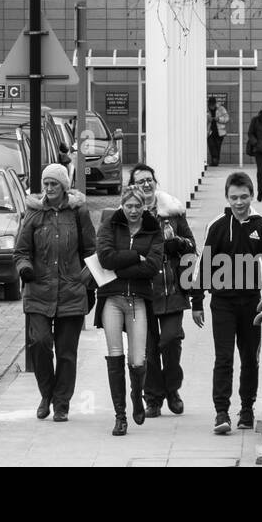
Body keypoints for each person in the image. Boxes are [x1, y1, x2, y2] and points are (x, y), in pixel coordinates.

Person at [191, 171, 262, 435]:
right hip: (222, 303)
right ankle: (221, 412)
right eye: (234, 197)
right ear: (226, 197)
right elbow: (205, 264)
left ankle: (246, 409)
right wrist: (197, 300)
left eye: (244, 196)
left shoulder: (261, 227)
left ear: (252, 196)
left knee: (250, 358)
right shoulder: (218, 226)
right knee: (223, 358)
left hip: (251, 303)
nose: (239, 202)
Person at [13, 163, 96, 423]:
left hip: (71, 291)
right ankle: (46, 394)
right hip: (38, 290)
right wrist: (24, 268)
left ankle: (62, 404)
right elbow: (21, 250)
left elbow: (91, 250)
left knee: (66, 352)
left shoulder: (78, 213)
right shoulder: (34, 213)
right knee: (39, 343)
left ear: (64, 187)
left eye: (54, 184)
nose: (49, 189)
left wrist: (87, 279)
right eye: (46, 184)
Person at [123, 165, 197, 419]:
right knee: (149, 349)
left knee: (170, 340)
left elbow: (192, 247)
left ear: (156, 182)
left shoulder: (172, 212)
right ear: (132, 186)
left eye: (149, 180)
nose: (146, 184)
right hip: (142, 293)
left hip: (172, 290)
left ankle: (172, 389)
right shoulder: (128, 216)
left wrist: (178, 243)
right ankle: (153, 398)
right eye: (140, 181)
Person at [95, 185, 160, 436]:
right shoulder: (110, 224)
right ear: (122, 205)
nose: (133, 210)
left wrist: (120, 266)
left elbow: (152, 267)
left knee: (138, 359)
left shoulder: (153, 229)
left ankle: (136, 396)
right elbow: (105, 259)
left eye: (138, 206)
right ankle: (120, 415)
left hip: (138, 300)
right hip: (112, 298)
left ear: (144, 206)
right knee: (114, 355)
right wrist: (135, 256)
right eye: (129, 206)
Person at [207, 97, 229, 166]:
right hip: (209, 131)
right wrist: (207, 119)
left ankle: (215, 161)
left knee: (217, 147)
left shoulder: (221, 109)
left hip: (219, 132)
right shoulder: (206, 109)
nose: (212, 107)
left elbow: (226, 118)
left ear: (215, 103)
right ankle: (215, 160)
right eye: (211, 105)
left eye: (213, 105)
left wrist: (218, 119)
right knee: (211, 146)